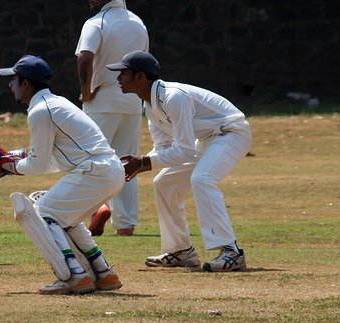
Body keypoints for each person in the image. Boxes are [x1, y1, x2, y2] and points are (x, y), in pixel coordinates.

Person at [107, 51, 251, 272]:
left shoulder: (174, 97)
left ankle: (230, 251)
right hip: (206, 139)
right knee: (164, 182)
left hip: (231, 133)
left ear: (140, 77)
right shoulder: (149, 105)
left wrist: (144, 162)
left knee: (202, 179)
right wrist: (141, 164)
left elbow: (183, 150)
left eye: (123, 73)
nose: (118, 79)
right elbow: (164, 148)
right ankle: (180, 250)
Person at [0, 55, 124, 294]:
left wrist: (7, 167)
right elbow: (52, 161)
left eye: (14, 79)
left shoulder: (41, 111)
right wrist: (16, 164)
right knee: (66, 218)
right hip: (106, 169)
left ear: (26, 83)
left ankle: (74, 275)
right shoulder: (55, 103)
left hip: (95, 170)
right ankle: (104, 273)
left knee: (43, 212)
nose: (10, 85)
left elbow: (36, 165)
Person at [75, 0, 149, 236]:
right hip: (132, 100)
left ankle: (97, 209)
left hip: (102, 99)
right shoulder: (138, 22)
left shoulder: (97, 22)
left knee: (91, 159)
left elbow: (84, 58)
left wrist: (86, 92)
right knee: (127, 162)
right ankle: (125, 222)